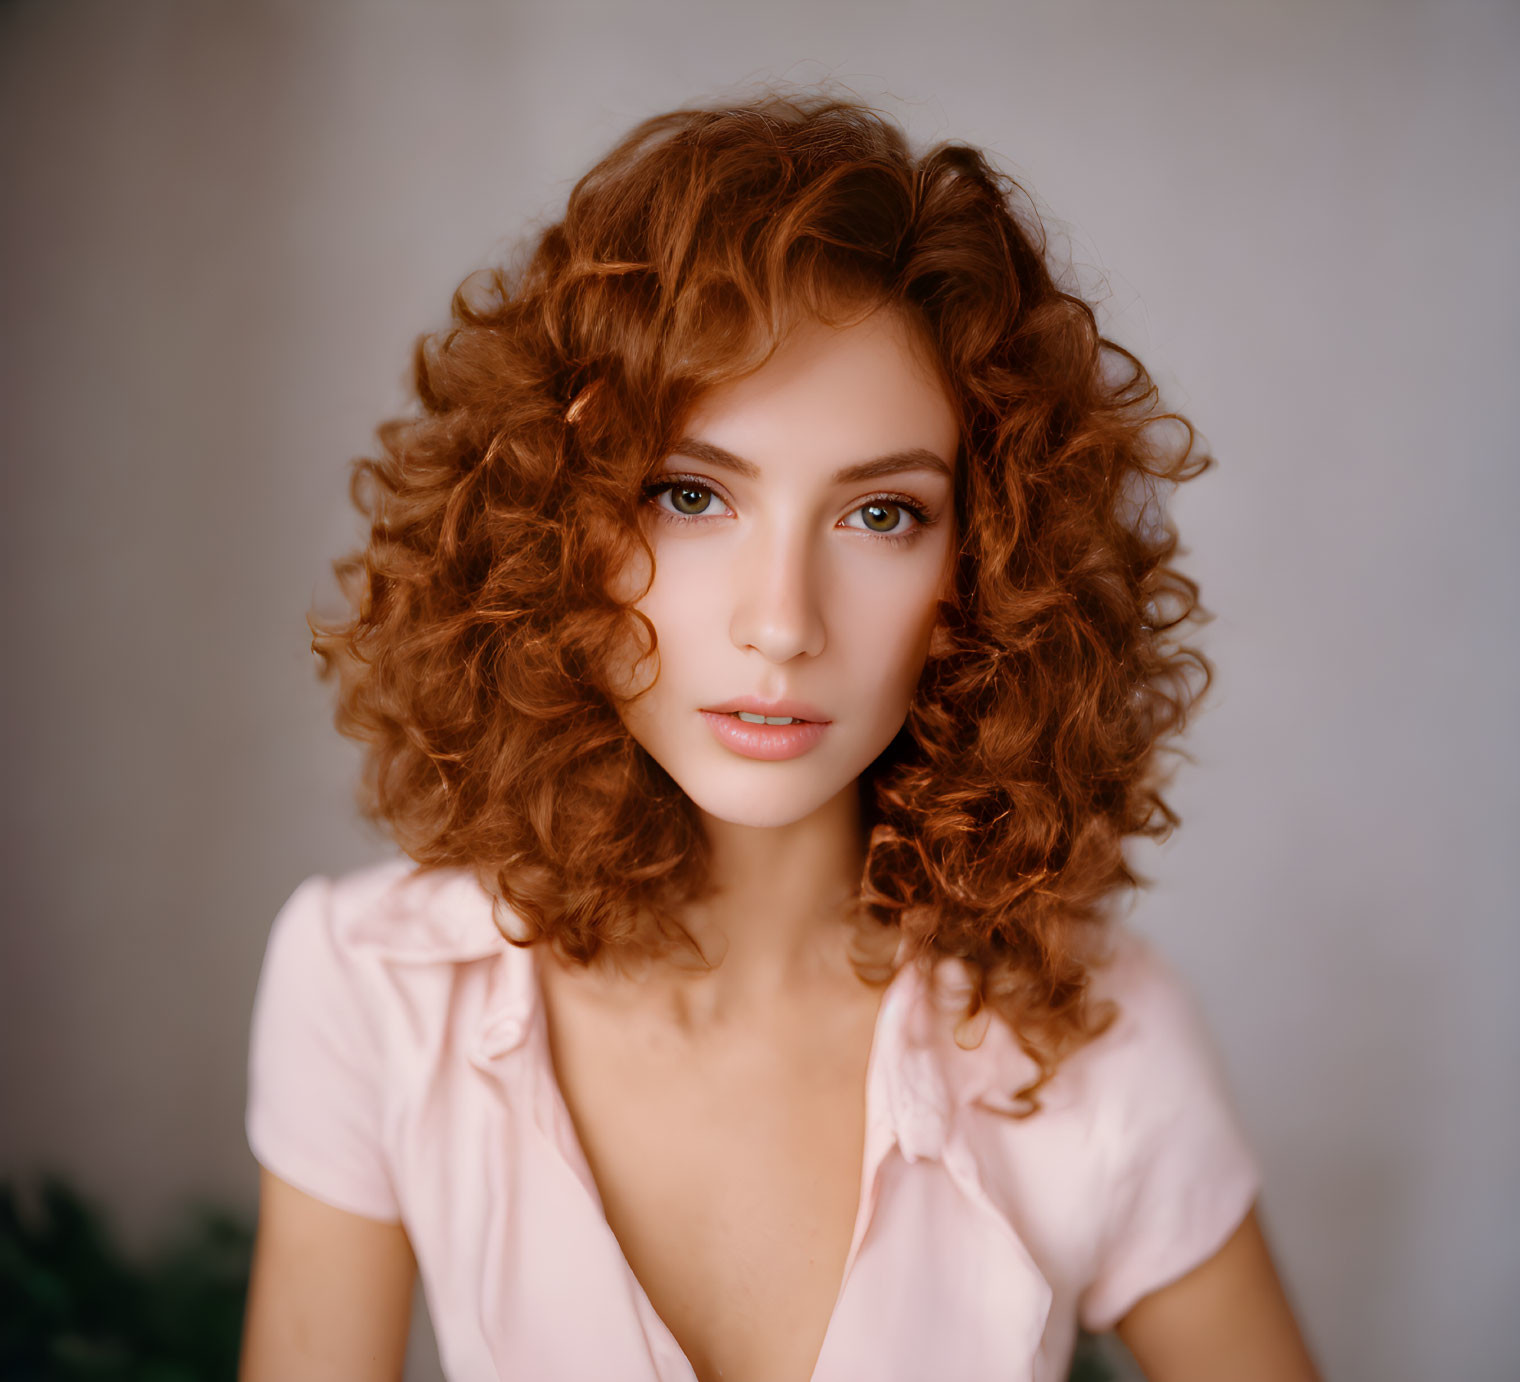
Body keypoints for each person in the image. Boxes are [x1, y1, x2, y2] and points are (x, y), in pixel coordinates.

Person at [238, 91, 1322, 1382]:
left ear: (987, 574)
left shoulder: (1092, 1043)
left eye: (881, 516)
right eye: (692, 495)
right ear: (555, 526)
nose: (781, 623)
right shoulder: (376, 988)